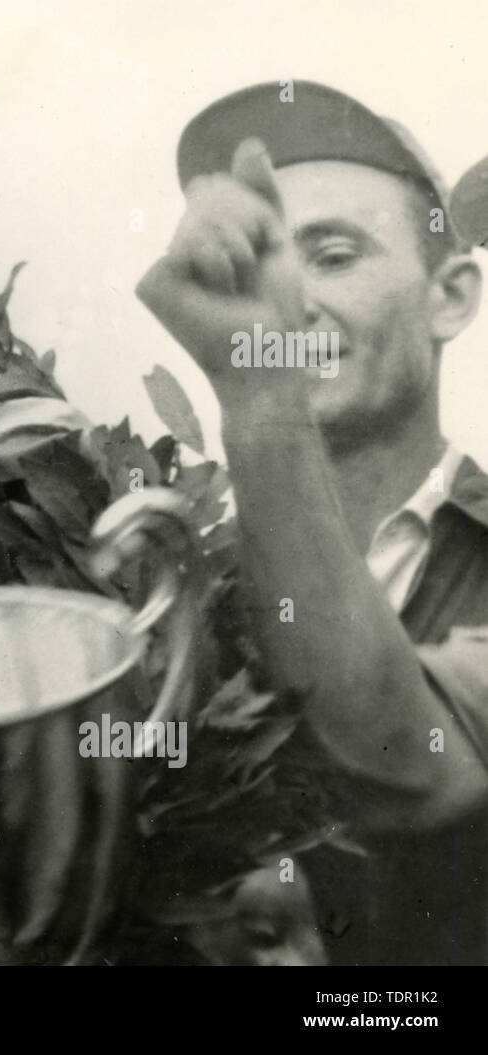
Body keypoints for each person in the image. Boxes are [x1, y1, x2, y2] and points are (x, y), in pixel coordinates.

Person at [136, 80, 488, 964]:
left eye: (332, 255)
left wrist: (260, 399)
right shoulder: (162, 590)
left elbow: (402, 757)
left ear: (451, 296)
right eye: (262, 258)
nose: (287, 299)